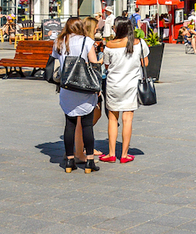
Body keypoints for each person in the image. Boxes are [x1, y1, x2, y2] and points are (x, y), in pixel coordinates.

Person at [52, 17, 101, 173]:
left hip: (67, 87)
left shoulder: (59, 42)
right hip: (84, 87)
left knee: (70, 124)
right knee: (87, 125)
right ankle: (89, 162)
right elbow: (93, 64)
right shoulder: (86, 41)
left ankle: (69, 161)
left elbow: (56, 63)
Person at [100, 18, 149, 164]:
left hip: (114, 85)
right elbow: (145, 62)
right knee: (127, 120)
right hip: (132, 85)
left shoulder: (109, 45)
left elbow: (107, 65)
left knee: (112, 119)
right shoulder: (139, 42)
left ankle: (111, 153)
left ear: (117, 28)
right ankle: (125, 154)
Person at [74, 16, 104, 162]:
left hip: (77, 82)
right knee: (89, 117)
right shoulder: (88, 42)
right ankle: (83, 148)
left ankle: (81, 146)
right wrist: (103, 59)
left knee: (92, 115)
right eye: (96, 26)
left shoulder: (81, 41)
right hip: (89, 82)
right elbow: (94, 63)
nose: (98, 28)